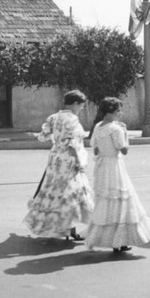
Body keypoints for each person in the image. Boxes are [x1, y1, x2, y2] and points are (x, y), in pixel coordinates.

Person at [84, 97, 150, 252]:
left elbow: (95, 149)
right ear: (110, 112)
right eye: (118, 111)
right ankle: (120, 240)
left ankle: (107, 238)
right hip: (115, 166)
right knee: (120, 201)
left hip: (102, 167)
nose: (120, 114)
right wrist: (125, 133)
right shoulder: (116, 129)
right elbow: (123, 150)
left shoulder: (98, 126)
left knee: (105, 202)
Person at [23, 90, 94, 241]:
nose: (81, 108)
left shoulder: (54, 117)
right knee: (71, 193)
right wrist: (79, 162)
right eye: (81, 105)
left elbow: (43, 137)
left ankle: (61, 227)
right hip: (69, 160)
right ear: (75, 104)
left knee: (54, 190)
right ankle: (71, 229)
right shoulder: (72, 120)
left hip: (55, 159)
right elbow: (72, 144)